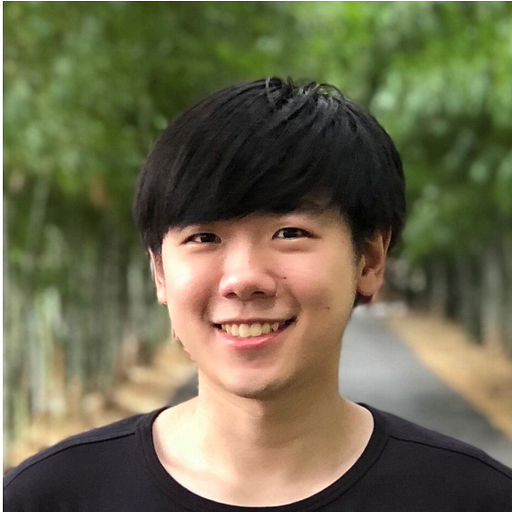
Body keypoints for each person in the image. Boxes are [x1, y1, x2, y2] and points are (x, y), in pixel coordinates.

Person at [4, 77, 512, 511]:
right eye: (204, 237)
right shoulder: (49, 498)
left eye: (289, 233)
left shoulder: (473, 499)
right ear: (159, 272)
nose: (243, 278)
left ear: (370, 260)